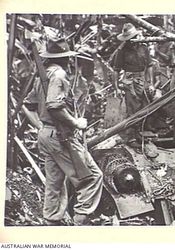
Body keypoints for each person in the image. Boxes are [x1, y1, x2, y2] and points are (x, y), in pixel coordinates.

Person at [23, 38, 103, 226]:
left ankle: (51, 222)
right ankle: (80, 222)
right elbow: (53, 105)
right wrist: (76, 122)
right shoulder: (58, 75)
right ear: (64, 58)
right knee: (91, 178)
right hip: (61, 137)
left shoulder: (42, 76)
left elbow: (28, 105)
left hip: (47, 136)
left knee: (55, 184)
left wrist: (41, 127)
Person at [110, 23, 155, 141]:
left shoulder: (143, 47)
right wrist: (117, 88)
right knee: (132, 108)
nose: (131, 41)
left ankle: (141, 131)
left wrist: (150, 83)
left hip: (142, 79)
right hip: (129, 80)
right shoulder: (122, 50)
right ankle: (131, 137)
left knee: (145, 105)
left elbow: (150, 65)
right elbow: (116, 70)